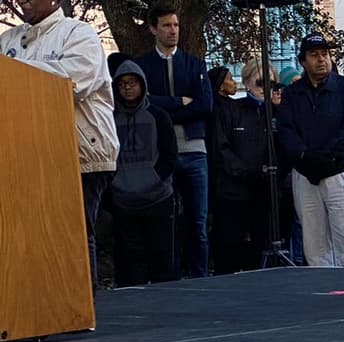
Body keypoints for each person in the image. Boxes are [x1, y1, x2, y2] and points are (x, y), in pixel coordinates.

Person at [1, 0, 119, 285]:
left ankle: (79, 307)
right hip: (26, 154)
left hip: (83, 152)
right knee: (29, 232)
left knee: (73, 230)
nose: (22, 1)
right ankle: (41, 305)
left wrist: (15, 70)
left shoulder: (79, 34)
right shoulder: (8, 40)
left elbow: (72, 82)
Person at [276, 33, 344, 268]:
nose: (321, 59)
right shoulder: (292, 94)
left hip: (342, 172)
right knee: (314, 244)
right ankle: (323, 295)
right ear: (303, 61)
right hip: (306, 175)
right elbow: (286, 132)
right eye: (314, 55)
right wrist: (306, 157)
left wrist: (328, 157)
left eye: (325, 54)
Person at [137, 1, 212, 278]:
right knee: (166, 222)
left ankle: (199, 277)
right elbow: (144, 104)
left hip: (194, 151)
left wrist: (165, 109)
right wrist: (179, 101)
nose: (173, 30)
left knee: (198, 221)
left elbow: (205, 105)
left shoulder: (194, 64)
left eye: (176, 25)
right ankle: (170, 278)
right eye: (167, 25)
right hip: (161, 154)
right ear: (153, 29)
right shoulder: (142, 66)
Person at [109, 59, 176, 286]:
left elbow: (169, 154)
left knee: (161, 256)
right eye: (122, 84)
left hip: (157, 197)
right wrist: (115, 185)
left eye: (133, 82)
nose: (127, 88)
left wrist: (155, 179)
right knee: (130, 259)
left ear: (143, 85)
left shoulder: (158, 115)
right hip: (123, 199)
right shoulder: (109, 119)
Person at [209, 57, 276, 273]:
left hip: (265, 191)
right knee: (229, 248)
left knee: (261, 248)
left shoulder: (276, 113)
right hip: (233, 191)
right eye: (260, 83)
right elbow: (221, 147)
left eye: (271, 84)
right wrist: (245, 172)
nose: (266, 89)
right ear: (247, 83)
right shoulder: (230, 109)